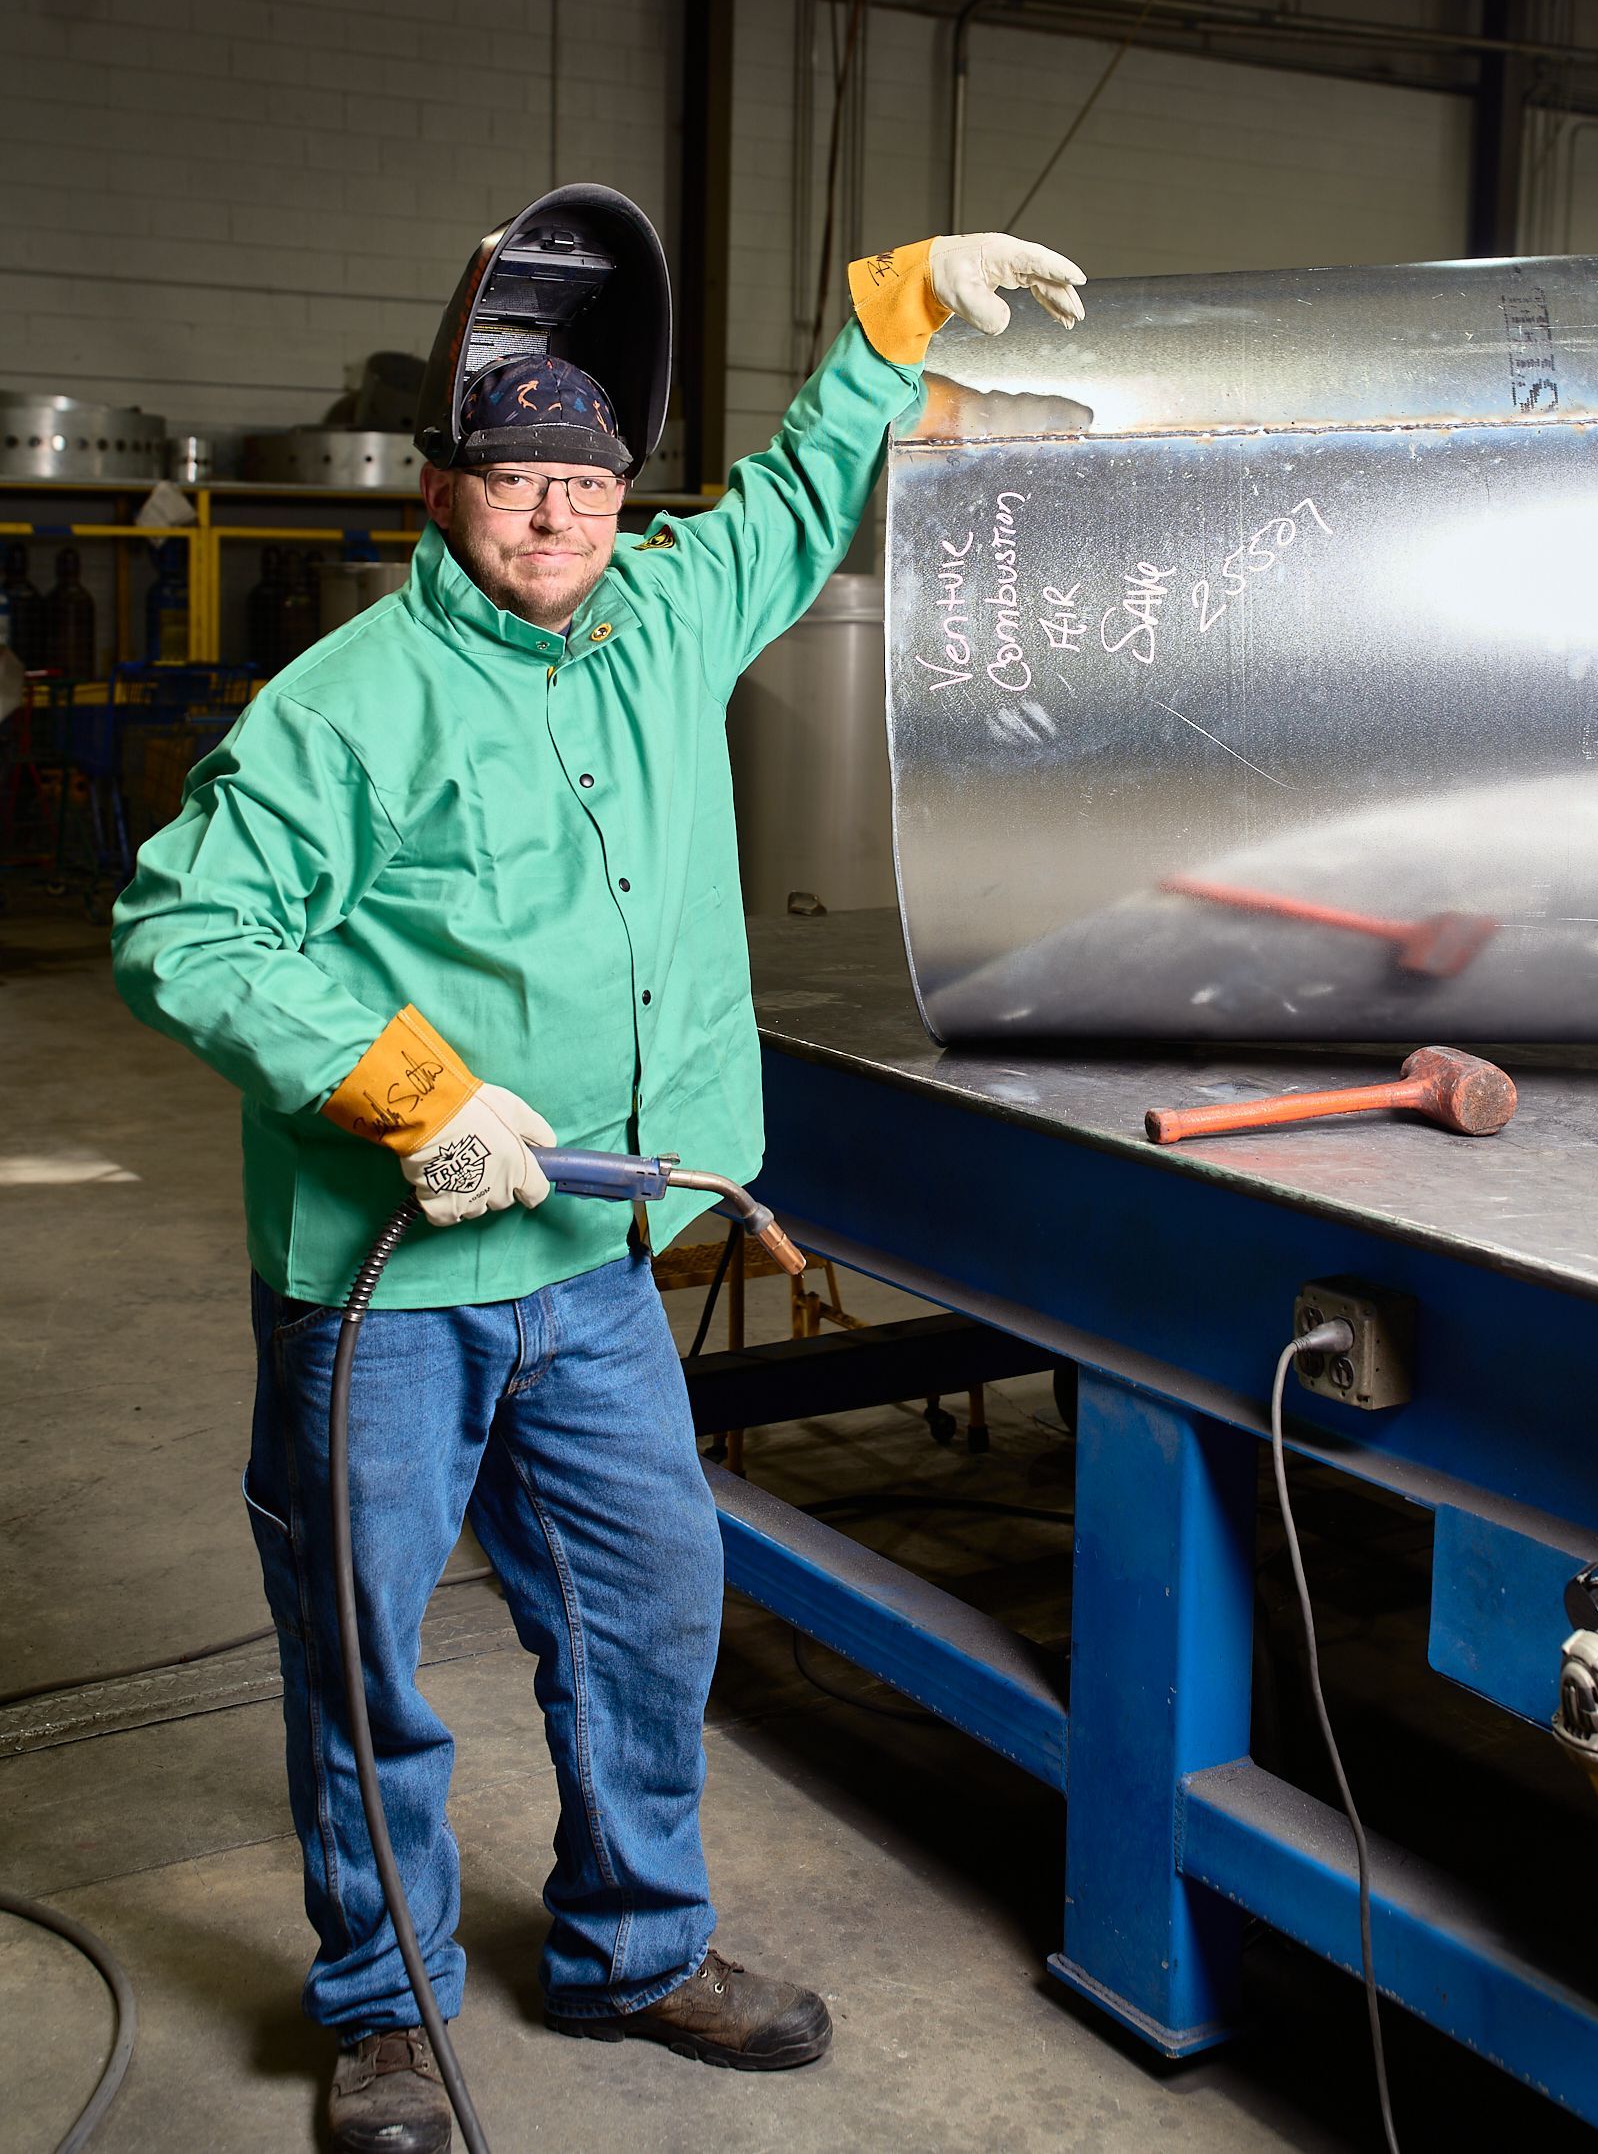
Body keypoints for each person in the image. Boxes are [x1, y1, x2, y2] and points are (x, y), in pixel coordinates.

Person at [113, 197, 1085, 2154]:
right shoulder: (349, 706)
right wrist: (403, 1090)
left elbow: (806, 492)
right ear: (436, 485)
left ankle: (636, 1945)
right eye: (514, 479)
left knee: (652, 1602)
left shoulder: (665, 616)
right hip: (387, 1278)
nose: (556, 516)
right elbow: (186, 929)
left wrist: (888, 325)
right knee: (364, 1654)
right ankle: (383, 2010)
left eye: (585, 478)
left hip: (589, 1266)